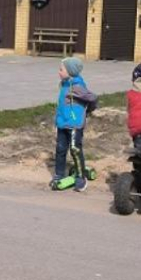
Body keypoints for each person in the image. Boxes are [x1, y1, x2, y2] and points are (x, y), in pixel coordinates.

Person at [53, 57, 98, 192]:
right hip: (62, 124)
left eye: (61, 70)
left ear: (70, 72)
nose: (59, 72)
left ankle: (80, 177)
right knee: (60, 149)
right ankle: (58, 174)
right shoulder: (65, 84)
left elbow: (93, 98)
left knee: (75, 149)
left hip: (75, 125)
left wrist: (88, 110)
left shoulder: (77, 87)